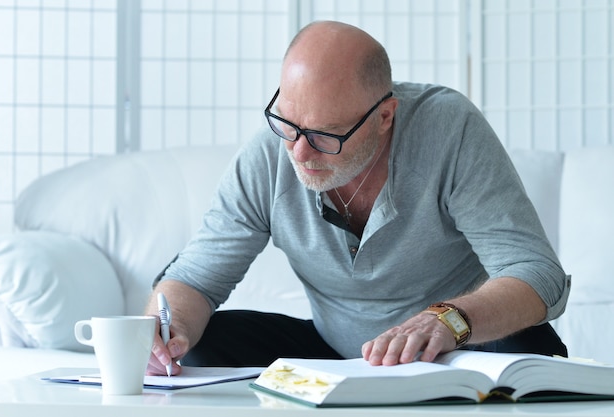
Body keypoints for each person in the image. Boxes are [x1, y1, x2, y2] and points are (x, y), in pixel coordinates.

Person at [145, 21, 570, 376]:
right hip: (335, 356)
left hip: (452, 353)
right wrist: (163, 331)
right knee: (202, 348)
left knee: (533, 352)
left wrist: (446, 320)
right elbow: (195, 278)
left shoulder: (447, 129)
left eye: (324, 135)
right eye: (288, 124)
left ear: (385, 116)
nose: (299, 152)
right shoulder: (273, 151)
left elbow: (537, 274)